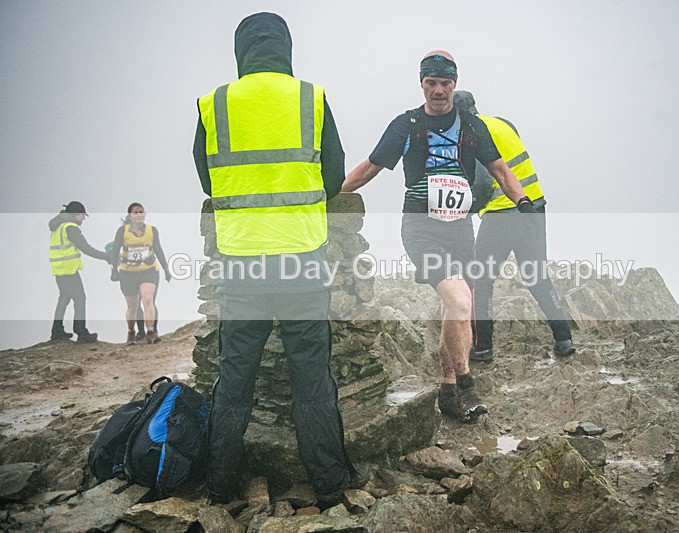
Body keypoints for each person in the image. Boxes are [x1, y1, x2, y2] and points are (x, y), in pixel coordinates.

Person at [193, 12, 366, 506]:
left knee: (234, 380)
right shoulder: (311, 98)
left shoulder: (215, 103)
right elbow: (333, 178)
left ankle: (221, 485)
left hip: (241, 262)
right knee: (311, 378)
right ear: (285, 48)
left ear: (241, 50)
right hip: (301, 262)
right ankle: (331, 485)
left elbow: (209, 181)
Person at [342, 51, 535, 422]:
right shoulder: (407, 124)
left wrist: (523, 201)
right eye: (431, 83)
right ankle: (465, 384)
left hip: (460, 229)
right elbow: (370, 167)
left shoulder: (472, 127)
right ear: (422, 84)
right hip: (420, 230)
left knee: (455, 308)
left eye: (445, 83)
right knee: (462, 301)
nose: (439, 91)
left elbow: (500, 170)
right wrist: (331, 196)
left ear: (454, 85)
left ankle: (446, 389)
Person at [453, 91, 576, 361]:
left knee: (480, 281)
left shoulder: (470, 134)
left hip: (501, 215)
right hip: (533, 208)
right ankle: (563, 338)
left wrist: (465, 209)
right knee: (536, 277)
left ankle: (482, 347)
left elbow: (484, 186)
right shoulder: (503, 123)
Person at [48, 201, 110, 342]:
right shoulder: (71, 227)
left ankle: (56, 330)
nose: (84, 218)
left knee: (64, 298)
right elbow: (86, 248)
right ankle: (81, 332)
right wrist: (106, 256)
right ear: (77, 214)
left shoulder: (58, 226)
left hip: (59, 269)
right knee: (80, 299)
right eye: (83, 215)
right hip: (69, 269)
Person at [110, 203, 170, 345]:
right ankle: (131, 332)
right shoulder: (122, 231)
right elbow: (114, 251)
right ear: (130, 215)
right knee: (132, 306)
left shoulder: (152, 230)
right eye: (135, 212)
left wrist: (166, 269)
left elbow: (158, 250)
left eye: (141, 212)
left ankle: (151, 332)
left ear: (145, 214)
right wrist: (114, 270)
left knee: (147, 299)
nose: (139, 214)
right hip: (128, 272)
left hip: (148, 270)